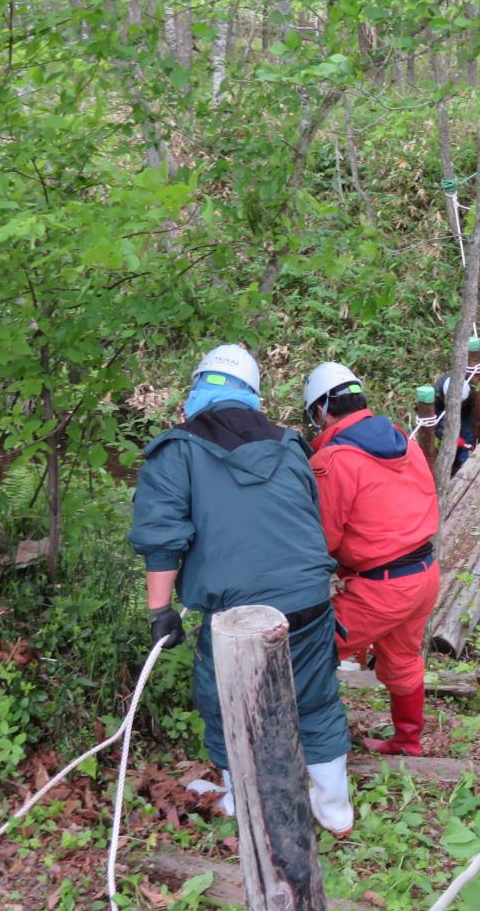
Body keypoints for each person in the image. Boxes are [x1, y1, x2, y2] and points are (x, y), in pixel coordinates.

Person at [128, 344, 353, 835]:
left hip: (236, 612)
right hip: (310, 599)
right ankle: (335, 808)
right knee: (314, 697)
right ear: (252, 394)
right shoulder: (291, 442)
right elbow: (309, 516)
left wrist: (159, 611)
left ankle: (242, 799)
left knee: (223, 700)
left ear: (197, 389)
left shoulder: (177, 449)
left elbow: (161, 538)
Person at [304, 361, 441, 756]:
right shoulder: (403, 440)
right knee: (401, 659)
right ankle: (407, 741)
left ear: (320, 411)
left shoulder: (331, 462)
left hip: (382, 587)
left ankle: (310, 743)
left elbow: (323, 539)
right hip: (423, 575)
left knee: (309, 649)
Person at [434, 373, 480, 475]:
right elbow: (435, 423)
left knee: (467, 435)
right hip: (445, 412)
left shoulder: (472, 385)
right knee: (453, 443)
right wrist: (450, 437)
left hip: (467, 411)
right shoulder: (436, 395)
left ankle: (467, 467)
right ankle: (455, 467)